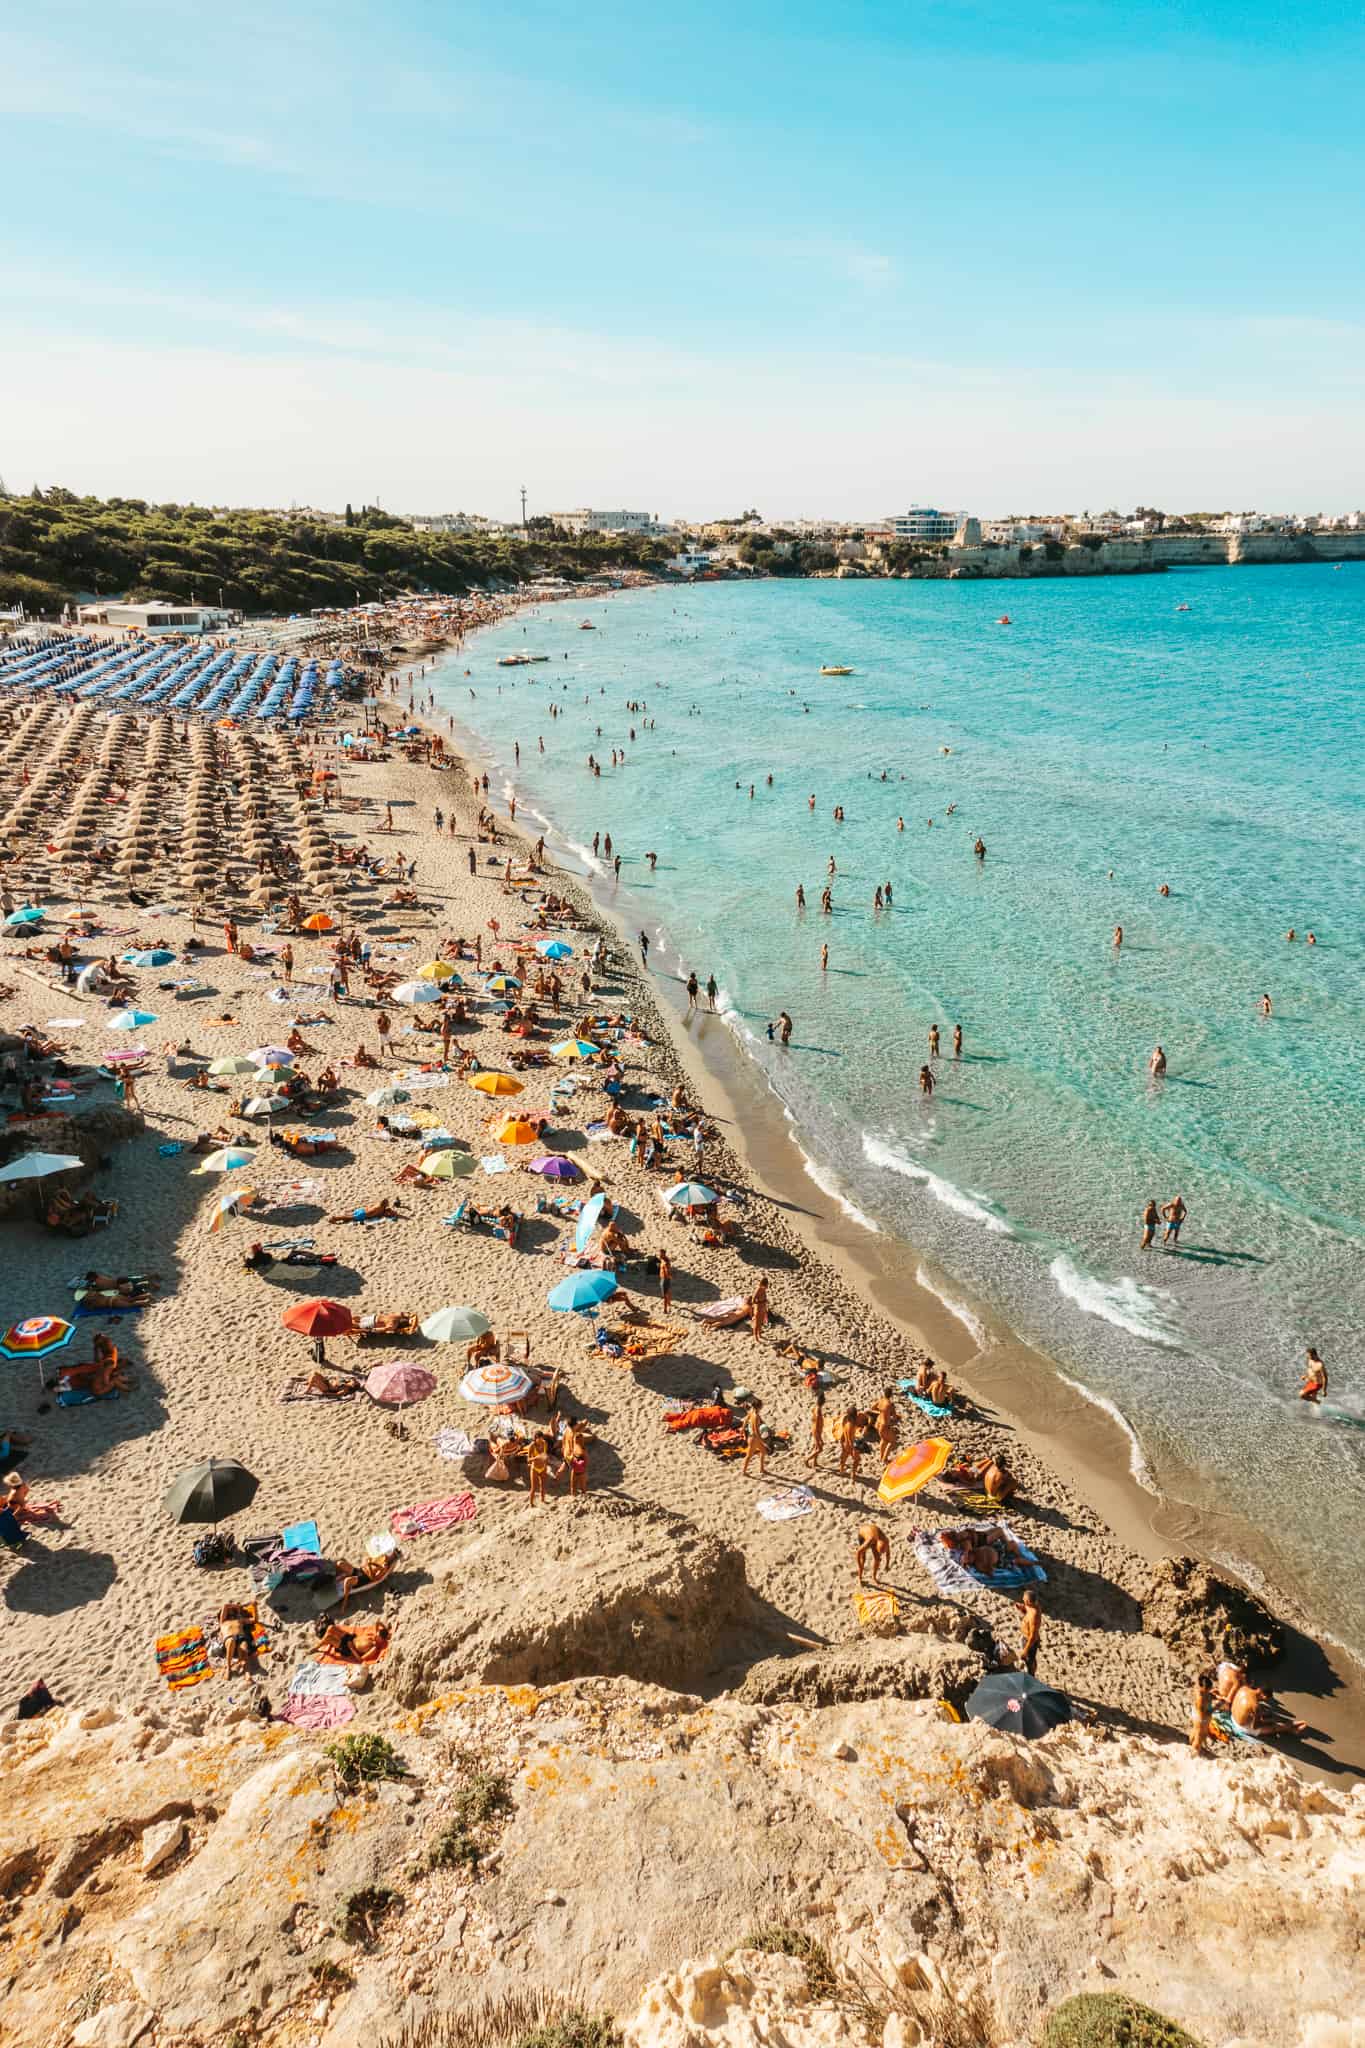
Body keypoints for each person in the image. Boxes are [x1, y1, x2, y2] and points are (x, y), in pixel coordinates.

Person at [219, 1602, 255, 1677]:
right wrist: (239, 1606)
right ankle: (228, 1668)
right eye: (229, 1610)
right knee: (232, 1641)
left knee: (244, 1648)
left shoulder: (239, 1620)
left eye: (232, 1610)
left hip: (241, 1637)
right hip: (229, 1638)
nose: (230, 1610)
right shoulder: (223, 1621)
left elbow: (254, 1620)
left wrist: (255, 1608)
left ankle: (247, 1672)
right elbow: (225, 1605)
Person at [1018, 1588, 1042, 1675]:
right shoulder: (1031, 1605)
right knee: (1031, 1659)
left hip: (1029, 1641)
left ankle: (1031, 1676)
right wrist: (1022, 1609)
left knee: (1029, 1661)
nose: (1022, 1599)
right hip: (1025, 1636)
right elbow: (1027, 1610)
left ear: (1028, 1601)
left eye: (1024, 1599)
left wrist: (1025, 1650)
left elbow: (1033, 1636)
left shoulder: (1034, 1616)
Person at [741, 1398, 767, 1477]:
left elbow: (745, 1420)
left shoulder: (751, 1411)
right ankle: (744, 1472)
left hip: (752, 1437)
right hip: (754, 1438)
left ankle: (761, 1469)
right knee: (749, 1456)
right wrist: (762, 1441)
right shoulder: (756, 1416)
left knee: (763, 1451)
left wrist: (742, 1429)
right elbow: (756, 1431)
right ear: (759, 1407)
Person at [1190, 1670, 1213, 1755]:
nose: (1210, 1690)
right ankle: (1194, 1753)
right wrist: (1214, 1709)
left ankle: (1190, 1744)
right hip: (1200, 1719)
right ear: (1204, 1688)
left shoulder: (1197, 1689)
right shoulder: (1201, 1699)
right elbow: (1202, 1715)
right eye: (1209, 1689)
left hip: (1195, 1714)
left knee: (1195, 1731)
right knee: (1199, 1737)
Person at [836, 1404, 862, 1480]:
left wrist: (841, 1442)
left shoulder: (845, 1421)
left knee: (843, 1457)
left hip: (844, 1443)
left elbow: (843, 1434)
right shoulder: (851, 1426)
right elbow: (851, 1440)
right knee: (857, 1460)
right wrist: (854, 1449)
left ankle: (841, 1470)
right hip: (850, 1445)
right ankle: (853, 1475)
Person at [874, 1387, 899, 1466]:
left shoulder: (880, 1400)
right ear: (891, 1395)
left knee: (884, 1440)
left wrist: (881, 1412)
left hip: (878, 1423)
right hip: (884, 1425)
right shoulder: (890, 1404)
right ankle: (885, 1459)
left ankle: (881, 1457)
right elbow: (894, 1417)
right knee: (892, 1441)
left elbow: (872, 1407)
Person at [527, 1432, 549, 1505]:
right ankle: (531, 1503)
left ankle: (543, 1500)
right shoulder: (532, 1446)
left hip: (543, 1467)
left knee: (543, 1486)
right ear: (535, 1439)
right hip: (535, 1468)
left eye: (541, 1439)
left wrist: (546, 1461)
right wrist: (536, 1458)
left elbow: (545, 1454)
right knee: (533, 1488)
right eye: (538, 1439)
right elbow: (528, 1460)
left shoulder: (545, 1443)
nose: (540, 1440)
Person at [805, 1390, 825, 1470]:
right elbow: (816, 1422)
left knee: (816, 1447)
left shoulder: (816, 1407)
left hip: (815, 1430)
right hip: (817, 1431)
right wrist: (819, 1437)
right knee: (820, 1448)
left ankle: (815, 1462)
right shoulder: (818, 1411)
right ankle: (807, 1459)